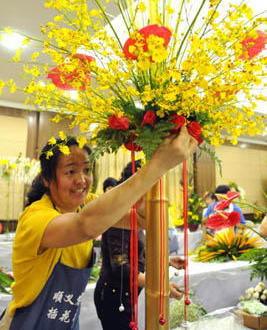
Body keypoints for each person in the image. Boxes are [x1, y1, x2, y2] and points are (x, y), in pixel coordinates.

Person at [0, 126, 197, 329]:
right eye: (70, 172)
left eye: (86, 170)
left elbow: (139, 220)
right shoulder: (36, 217)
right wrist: (157, 166)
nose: (81, 180)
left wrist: (151, 188)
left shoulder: (84, 205)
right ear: (47, 179)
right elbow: (86, 226)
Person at [94, 159, 185, 330]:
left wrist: (167, 261)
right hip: (114, 296)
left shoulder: (137, 212)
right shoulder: (120, 212)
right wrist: (159, 286)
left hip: (126, 294)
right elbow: (121, 266)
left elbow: (136, 254)